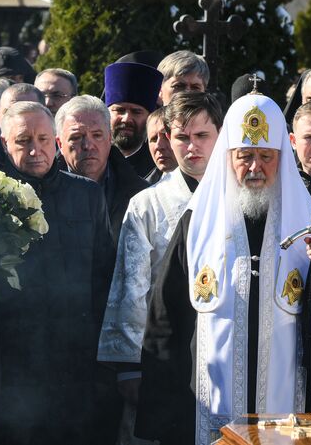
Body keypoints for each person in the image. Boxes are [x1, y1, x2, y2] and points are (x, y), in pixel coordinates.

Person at [137, 93, 311, 445]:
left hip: (285, 389)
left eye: (265, 157)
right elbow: (166, 317)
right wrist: (164, 409)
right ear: (229, 159)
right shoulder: (198, 223)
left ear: (281, 159)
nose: (255, 167)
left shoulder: (308, 222)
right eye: (245, 157)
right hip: (209, 391)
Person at [0, 100, 115, 443]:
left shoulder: (87, 195)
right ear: (5, 143)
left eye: (43, 139)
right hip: (14, 367)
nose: (35, 150)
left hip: (76, 363)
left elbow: (105, 278)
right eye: (23, 141)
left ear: (57, 142)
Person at [98, 90, 223, 445]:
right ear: (168, 138)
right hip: (165, 348)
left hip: (224, 342)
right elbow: (131, 287)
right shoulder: (148, 204)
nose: (192, 146)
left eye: (202, 136)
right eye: (182, 137)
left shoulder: (238, 198)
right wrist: (130, 366)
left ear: (220, 135)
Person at [56, 93, 146, 246]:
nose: (88, 145)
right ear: (59, 144)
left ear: (110, 138)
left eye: (97, 135)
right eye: (76, 137)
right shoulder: (39, 193)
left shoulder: (141, 195)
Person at [105, 59, 165, 182]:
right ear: (106, 113)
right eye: (120, 110)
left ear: (150, 117)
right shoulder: (93, 160)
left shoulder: (160, 167)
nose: (127, 119)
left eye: (136, 112)